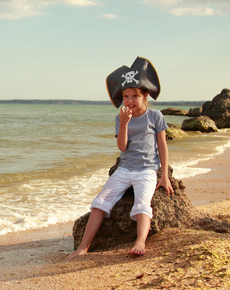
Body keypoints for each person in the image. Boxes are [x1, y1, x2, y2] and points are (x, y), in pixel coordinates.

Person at [67, 57, 174, 259]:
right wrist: (124, 123)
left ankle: (140, 241)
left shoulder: (155, 116)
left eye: (134, 96)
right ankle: (84, 247)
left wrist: (164, 176)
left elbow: (162, 146)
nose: (129, 101)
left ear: (145, 95)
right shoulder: (121, 118)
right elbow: (122, 147)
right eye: (125, 96)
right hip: (124, 169)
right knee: (100, 202)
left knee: (142, 205)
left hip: (147, 171)